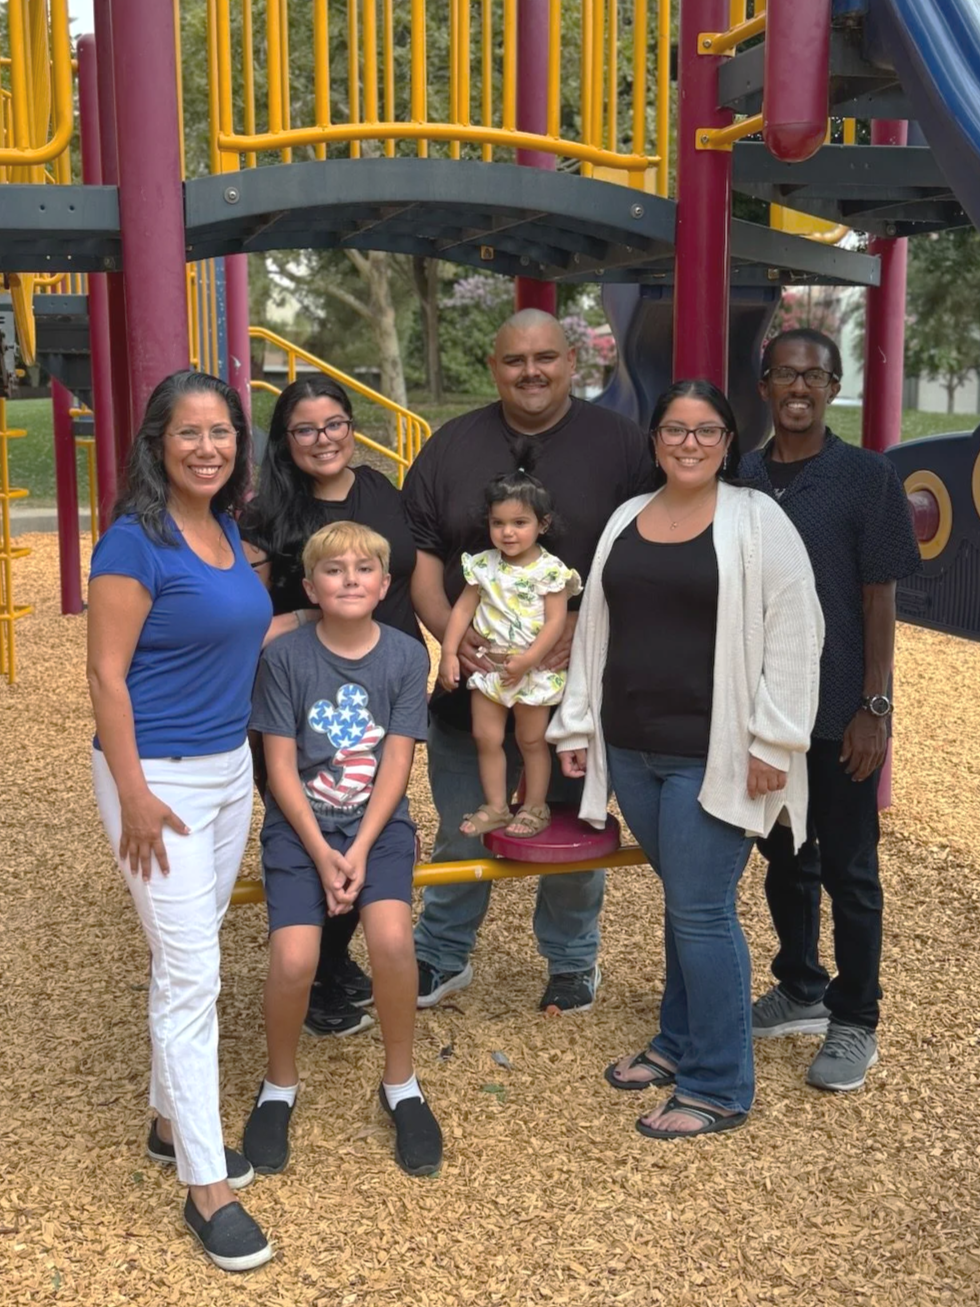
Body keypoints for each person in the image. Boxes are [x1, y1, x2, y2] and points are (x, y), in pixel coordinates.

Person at [548, 379, 825, 1139]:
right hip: (634, 747)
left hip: (719, 751)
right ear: (656, 439)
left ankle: (718, 1082)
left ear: (729, 441)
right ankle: (677, 1042)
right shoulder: (626, 519)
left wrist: (774, 742)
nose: (691, 442)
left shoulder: (756, 519)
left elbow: (798, 634)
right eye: (676, 429)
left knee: (701, 913)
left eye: (707, 431)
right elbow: (593, 628)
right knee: (683, 904)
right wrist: (577, 728)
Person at [403, 308, 654, 1014]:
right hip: (475, 685)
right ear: (494, 367)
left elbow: (653, 549)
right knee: (464, 819)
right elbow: (422, 557)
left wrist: (586, 620)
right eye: (515, 360)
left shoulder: (622, 446)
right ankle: (442, 953)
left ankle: (573, 960)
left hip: (574, 688)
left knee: (571, 823)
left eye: (546, 357)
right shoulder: (451, 445)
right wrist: (449, 636)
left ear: (572, 362)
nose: (532, 371)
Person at [87, 371, 274, 1271]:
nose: (209, 445)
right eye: (190, 432)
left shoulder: (225, 529)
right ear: (157, 443)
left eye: (223, 431)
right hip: (155, 779)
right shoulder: (134, 542)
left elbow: (233, 637)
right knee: (194, 971)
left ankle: (170, 1122)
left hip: (227, 772)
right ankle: (207, 1186)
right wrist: (130, 789)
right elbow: (105, 676)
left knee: (189, 951)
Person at [741, 328, 921, 1092]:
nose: (799, 387)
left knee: (850, 868)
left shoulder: (866, 477)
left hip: (840, 705)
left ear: (835, 383)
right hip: (765, 711)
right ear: (764, 385)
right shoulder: (741, 476)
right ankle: (803, 985)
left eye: (814, 375)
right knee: (783, 858)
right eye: (785, 373)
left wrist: (874, 705)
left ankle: (856, 1018)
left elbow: (880, 597)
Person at [243, 521, 442, 1178]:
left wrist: (356, 848)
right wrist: (323, 852)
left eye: (364, 569)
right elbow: (277, 768)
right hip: (300, 828)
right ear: (310, 586)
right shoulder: (286, 657)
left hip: (375, 826)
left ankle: (402, 1081)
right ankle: (278, 1083)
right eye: (334, 569)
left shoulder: (406, 658)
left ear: (385, 585)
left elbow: (396, 765)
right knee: (295, 957)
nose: (350, 578)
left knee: (391, 942)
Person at [240, 375, 422, 1039]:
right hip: (299, 696)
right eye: (306, 428)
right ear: (286, 442)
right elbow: (250, 615)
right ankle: (314, 966)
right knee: (312, 815)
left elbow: (412, 572)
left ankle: (334, 955)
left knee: (368, 808)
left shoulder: (383, 493)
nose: (324, 438)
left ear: (352, 424)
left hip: (385, 684)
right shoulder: (269, 516)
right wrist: (310, 614)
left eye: (335, 422)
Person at [438, 462, 582, 838]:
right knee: (486, 737)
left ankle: (535, 806)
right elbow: (464, 610)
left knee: (531, 740)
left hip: (532, 668)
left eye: (520, 523)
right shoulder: (483, 566)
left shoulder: (550, 571)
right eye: (498, 523)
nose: (507, 532)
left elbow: (556, 621)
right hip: (490, 666)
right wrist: (450, 653)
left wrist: (530, 660)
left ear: (542, 525)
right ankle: (497, 806)